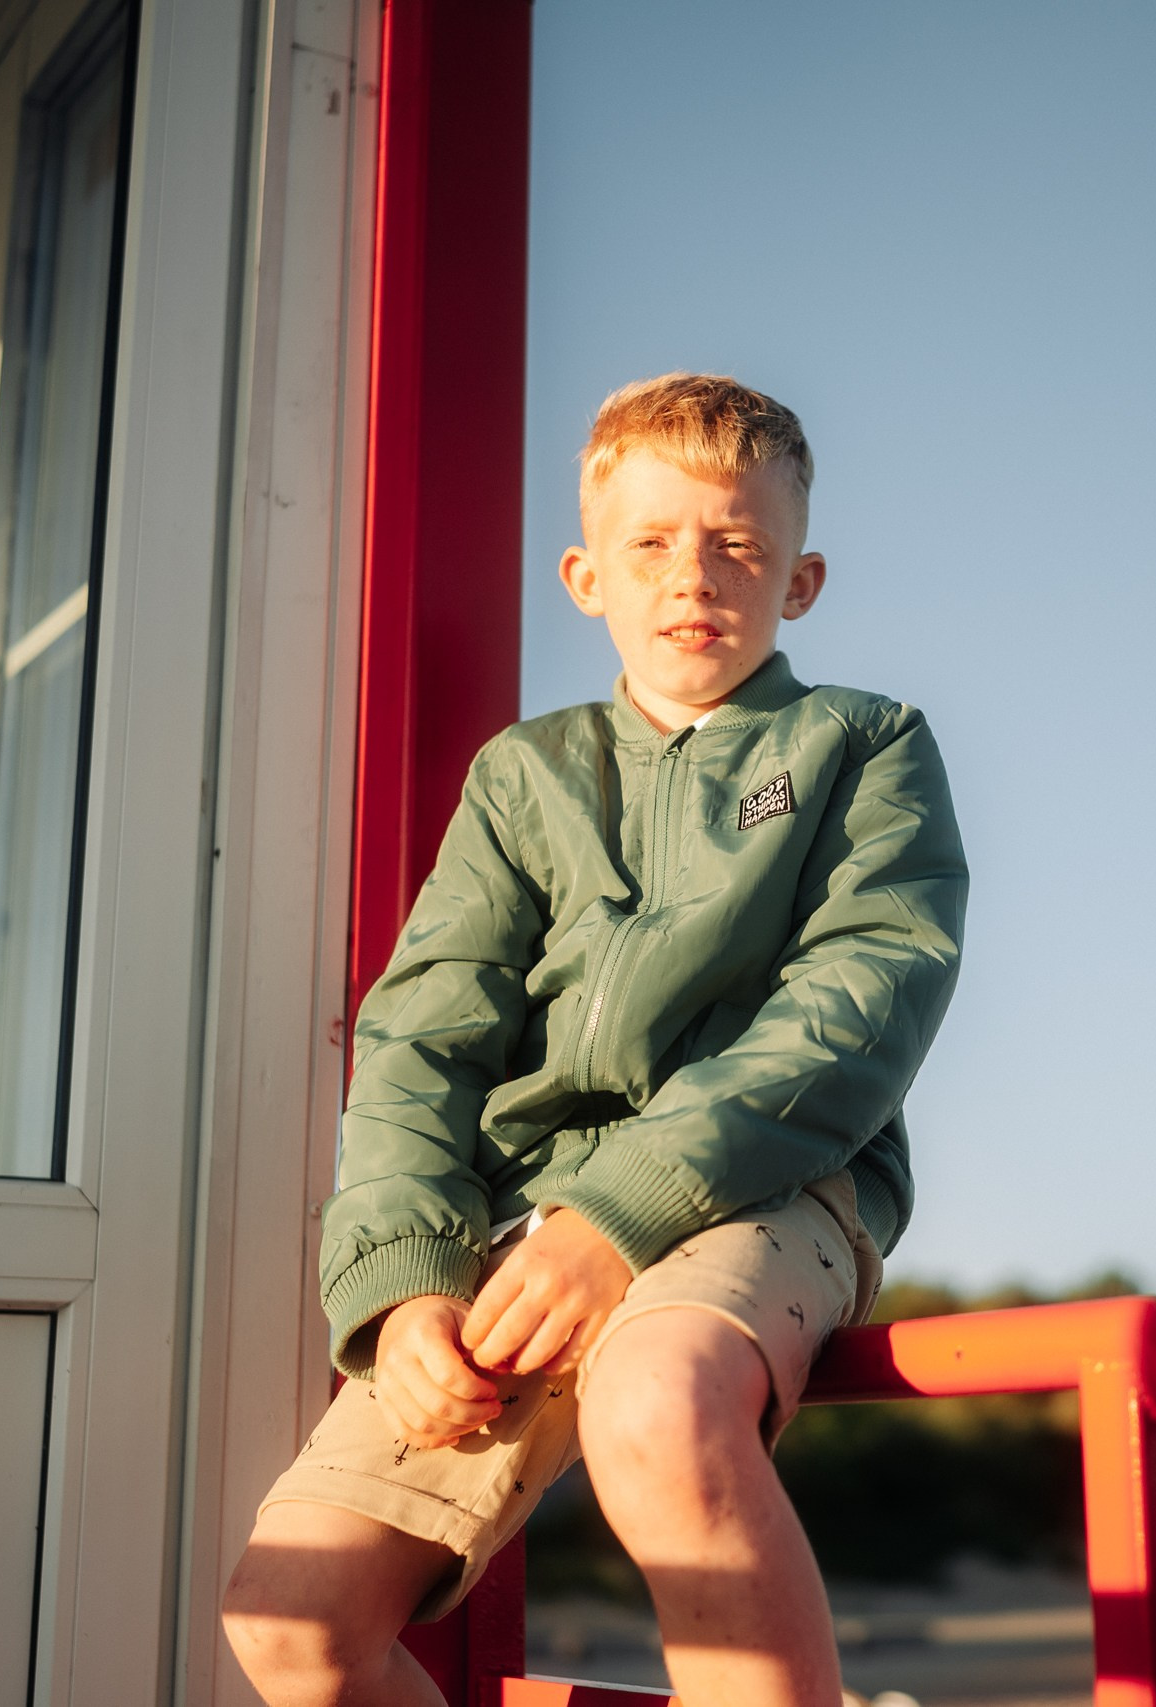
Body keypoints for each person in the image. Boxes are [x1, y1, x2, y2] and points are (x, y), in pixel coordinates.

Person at [221, 373, 967, 1707]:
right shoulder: (525, 778)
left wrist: (617, 1210)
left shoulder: (859, 746)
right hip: (522, 1229)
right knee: (291, 1618)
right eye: (652, 543)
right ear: (585, 576)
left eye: (739, 546)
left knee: (658, 1410)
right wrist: (403, 1285)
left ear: (799, 582)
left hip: (771, 1190)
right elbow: (421, 1038)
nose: (696, 573)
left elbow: (858, 1002)